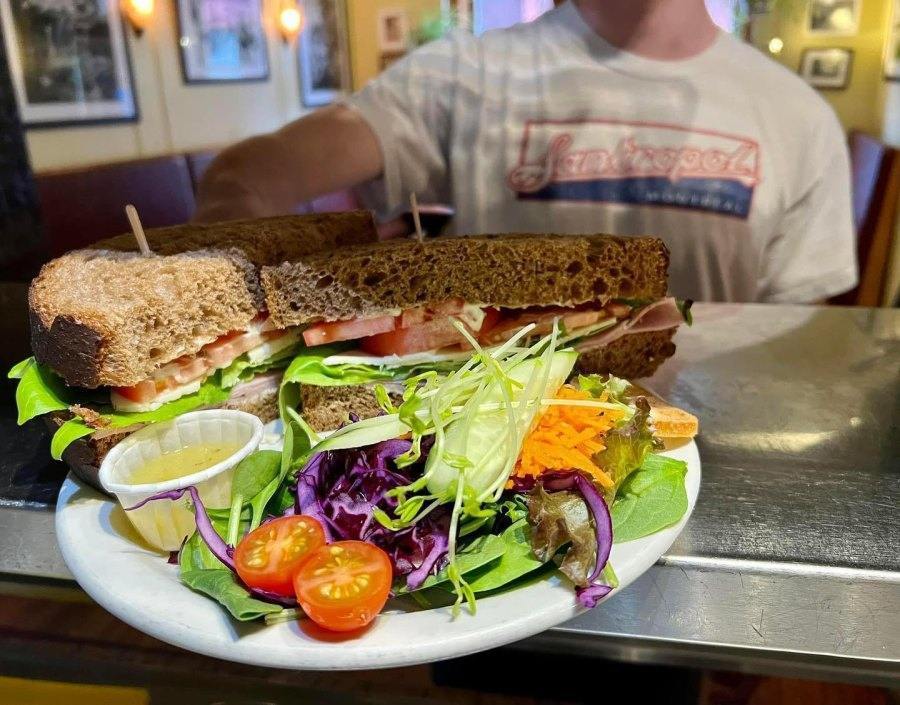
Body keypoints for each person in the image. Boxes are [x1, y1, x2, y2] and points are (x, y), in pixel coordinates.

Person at [194, 0, 857, 303]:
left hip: (704, 458)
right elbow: (254, 172)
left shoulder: (798, 117)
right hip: (498, 458)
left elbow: (793, 343)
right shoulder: (463, 75)